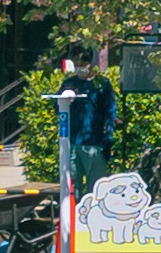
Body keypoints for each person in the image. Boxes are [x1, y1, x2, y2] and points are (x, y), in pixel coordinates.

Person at [51, 52, 121, 189]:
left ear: (90, 63)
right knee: (72, 186)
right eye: (76, 64)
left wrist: (108, 136)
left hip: (93, 142)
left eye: (83, 64)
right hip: (71, 142)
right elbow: (58, 107)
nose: (80, 67)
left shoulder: (101, 84)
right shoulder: (69, 84)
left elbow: (110, 110)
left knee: (96, 186)